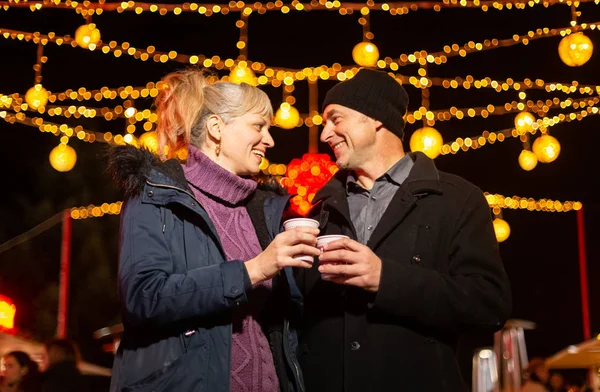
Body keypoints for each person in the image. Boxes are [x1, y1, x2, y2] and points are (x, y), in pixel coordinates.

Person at [295, 68, 512, 391]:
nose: (325, 134)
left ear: (376, 118)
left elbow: (489, 306)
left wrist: (386, 279)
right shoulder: (318, 206)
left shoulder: (456, 199)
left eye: (335, 119)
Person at [108, 68, 320, 392]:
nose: (270, 140)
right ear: (216, 128)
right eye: (258, 126)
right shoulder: (155, 197)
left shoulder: (263, 210)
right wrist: (253, 270)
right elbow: (143, 299)